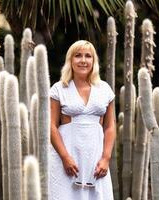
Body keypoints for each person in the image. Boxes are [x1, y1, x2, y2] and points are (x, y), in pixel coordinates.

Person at [49, 40, 116, 199]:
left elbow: (110, 126)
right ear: (70, 60)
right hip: (66, 158)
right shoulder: (59, 88)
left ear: (94, 61)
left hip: (96, 158)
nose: (83, 60)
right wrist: (65, 157)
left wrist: (106, 158)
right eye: (78, 56)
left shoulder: (105, 89)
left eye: (88, 56)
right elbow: (51, 125)